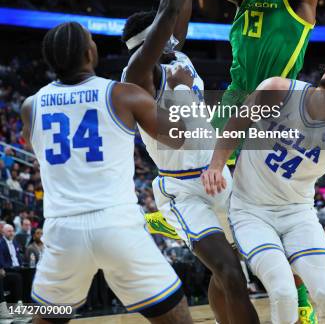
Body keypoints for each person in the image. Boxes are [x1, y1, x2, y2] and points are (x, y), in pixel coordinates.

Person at [121, 0, 259, 324]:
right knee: (231, 272)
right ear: (148, 45)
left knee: (233, 274)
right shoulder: (139, 75)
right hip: (182, 187)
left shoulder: (174, 53)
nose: (172, 37)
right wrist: (181, 93)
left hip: (218, 173)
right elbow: (175, 133)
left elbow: (175, 3)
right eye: (162, 38)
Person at [198, 0, 319, 321]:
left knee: (276, 210)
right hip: (235, 98)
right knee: (214, 196)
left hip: (274, 108)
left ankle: (302, 298)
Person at [20, 22, 195, 324]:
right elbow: (178, 136)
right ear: (90, 52)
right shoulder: (122, 95)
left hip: (62, 229)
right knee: (175, 316)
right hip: (117, 224)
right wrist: (182, 89)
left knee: (47, 317)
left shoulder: (29, 106)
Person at [202, 49, 325, 324]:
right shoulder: (279, 90)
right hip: (251, 211)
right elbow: (237, 122)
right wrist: (216, 164)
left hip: (297, 214)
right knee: (283, 291)